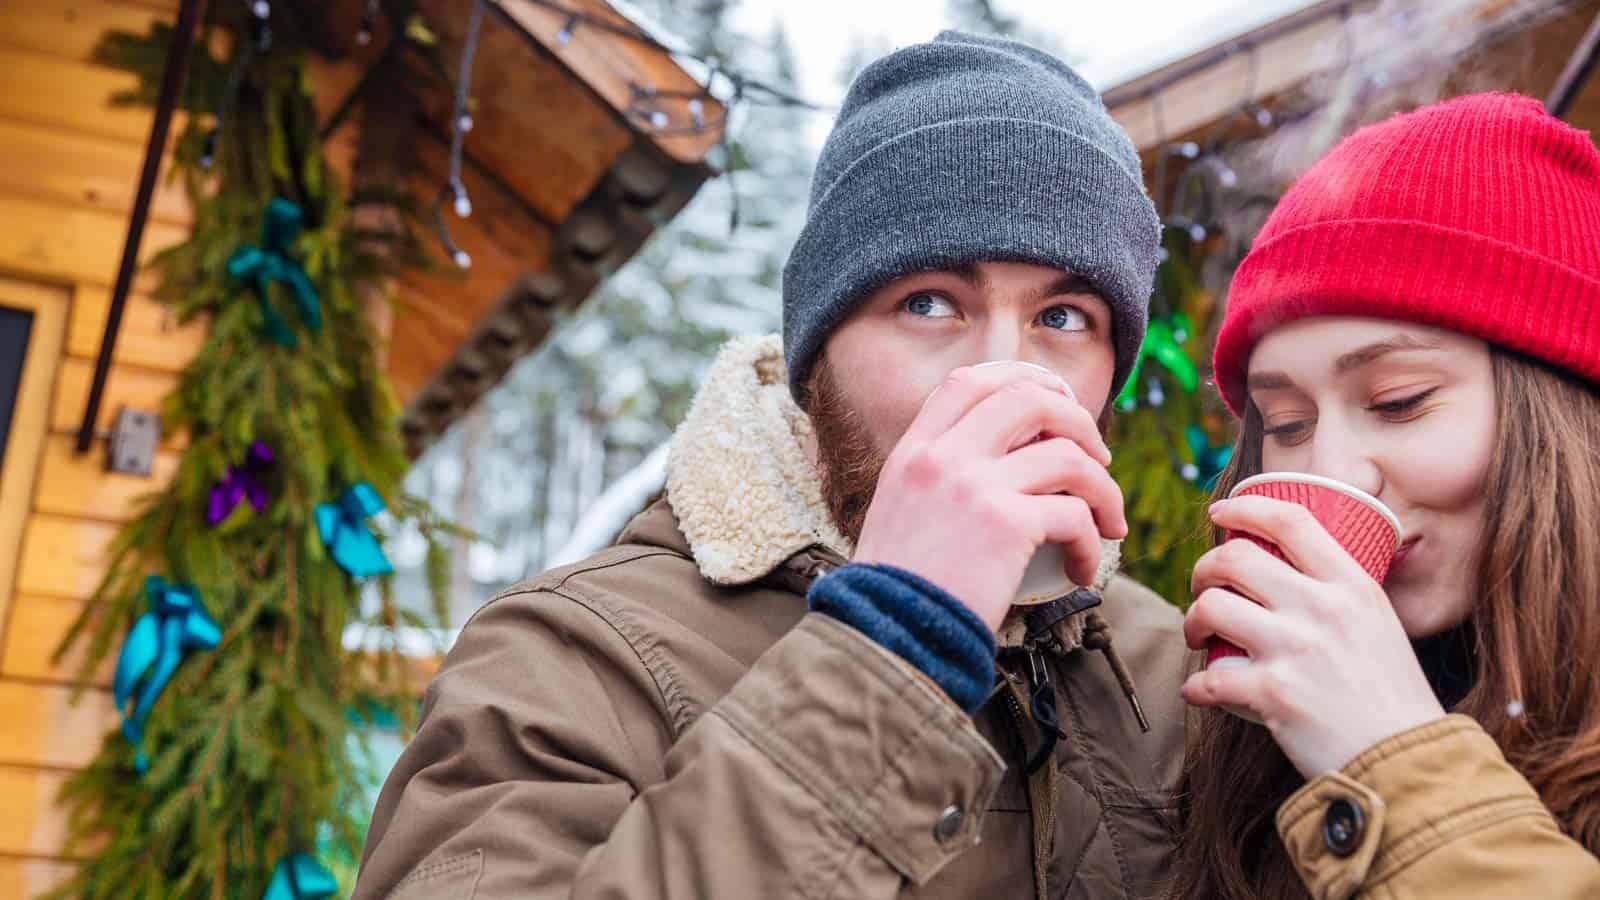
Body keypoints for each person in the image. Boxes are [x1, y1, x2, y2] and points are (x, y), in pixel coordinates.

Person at [353, 31, 1193, 900]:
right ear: (814, 353)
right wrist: (893, 648)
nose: (996, 375)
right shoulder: (572, 658)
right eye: (929, 303)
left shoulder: (1168, 670)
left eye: (1063, 319)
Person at [1168, 92, 1600, 899]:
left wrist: (1392, 756)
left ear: (1566, 416)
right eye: (1288, 422)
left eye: (1398, 401)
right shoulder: (1247, 761)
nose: (1333, 471)